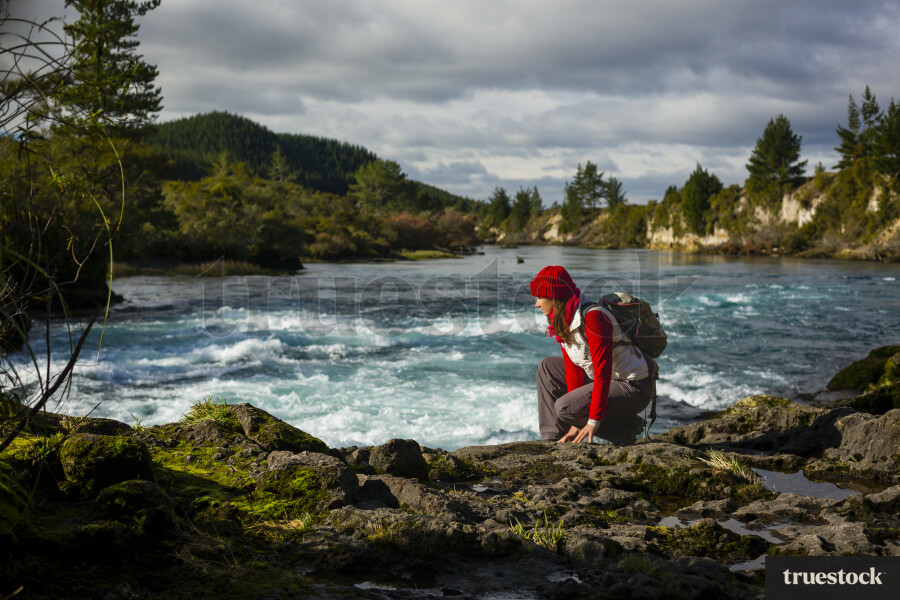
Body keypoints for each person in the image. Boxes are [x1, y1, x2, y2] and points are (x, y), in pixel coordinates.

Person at [531, 265, 654, 445]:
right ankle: (553, 440)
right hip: (607, 381)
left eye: (541, 297)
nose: (537, 304)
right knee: (547, 367)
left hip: (633, 386)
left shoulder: (593, 318)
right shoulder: (563, 319)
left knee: (563, 407)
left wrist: (592, 420)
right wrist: (574, 422)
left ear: (555, 297)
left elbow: (603, 371)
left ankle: (625, 428)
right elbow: (574, 370)